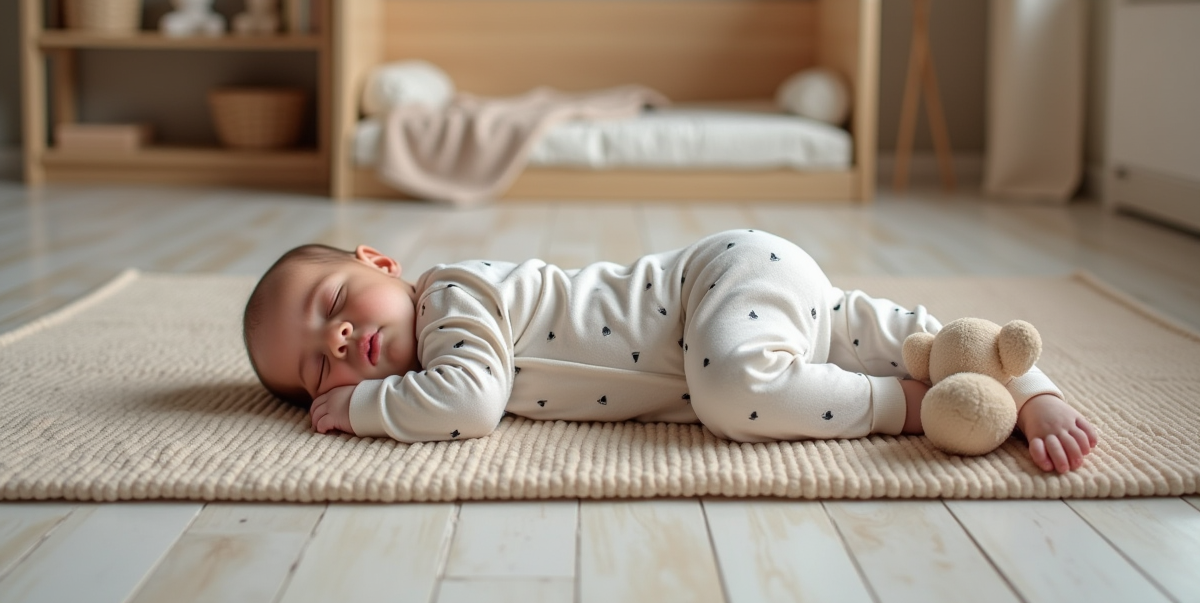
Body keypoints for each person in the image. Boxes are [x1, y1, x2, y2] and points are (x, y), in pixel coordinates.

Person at [243, 229, 1098, 473]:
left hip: (712, 285)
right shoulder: (429, 338)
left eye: (334, 307)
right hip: (737, 299)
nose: (343, 342)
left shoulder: (451, 300)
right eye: (318, 366)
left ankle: (911, 407)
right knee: (887, 334)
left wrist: (358, 406)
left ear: (381, 265)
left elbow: (468, 407)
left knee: (738, 397)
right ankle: (1016, 386)